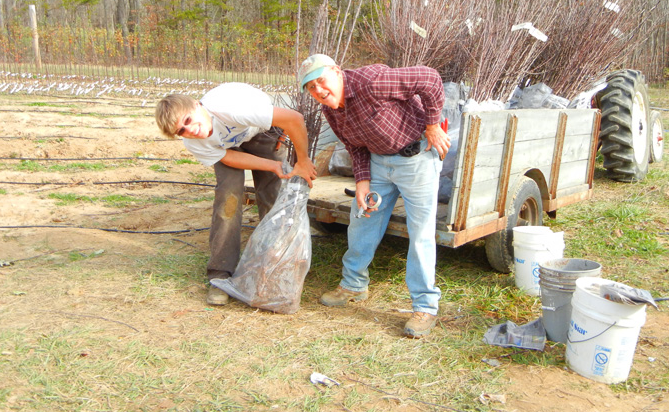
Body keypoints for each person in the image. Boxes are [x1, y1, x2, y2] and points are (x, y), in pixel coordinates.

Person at [298, 54, 450, 338]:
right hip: (379, 164)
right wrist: (363, 181)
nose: (318, 90)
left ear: (337, 72)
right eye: (311, 87)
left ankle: (425, 305)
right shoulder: (331, 108)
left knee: (420, 232)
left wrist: (432, 125)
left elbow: (429, 78)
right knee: (362, 219)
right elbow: (355, 146)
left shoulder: (372, 82)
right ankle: (353, 285)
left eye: (321, 81)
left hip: (416, 158)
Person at [155, 83, 316, 306]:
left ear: (196, 104)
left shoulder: (230, 108)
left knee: (274, 195)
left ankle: (276, 264)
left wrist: (303, 161)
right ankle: (220, 274)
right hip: (229, 148)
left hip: (260, 132)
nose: (189, 130)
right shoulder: (193, 141)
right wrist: (272, 165)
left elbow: (294, 118)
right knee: (228, 200)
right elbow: (229, 159)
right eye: (181, 131)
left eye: (188, 120)